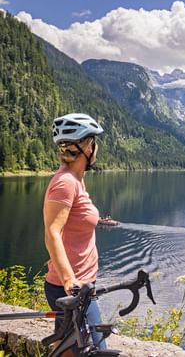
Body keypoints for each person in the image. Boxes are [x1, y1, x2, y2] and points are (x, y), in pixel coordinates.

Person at [43, 113, 106, 352]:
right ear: (87, 146)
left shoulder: (77, 181)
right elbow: (52, 233)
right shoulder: (66, 182)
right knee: (97, 351)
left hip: (80, 285)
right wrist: (70, 280)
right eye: (94, 142)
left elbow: (74, 222)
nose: (96, 148)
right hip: (72, 289)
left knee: (67, 351)